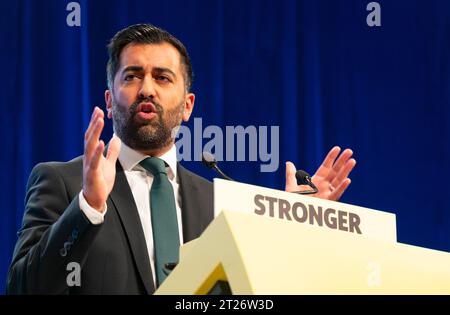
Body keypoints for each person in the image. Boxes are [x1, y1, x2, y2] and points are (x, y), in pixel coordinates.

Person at [6, 24, 356, 294]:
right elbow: (23, 289)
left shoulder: (220, 203)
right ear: (110, 101)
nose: (147, 88)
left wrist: (284, 225)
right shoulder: (62, 183)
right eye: (132, 76)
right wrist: (89, 206)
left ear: (188, 106)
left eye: (162, 77)